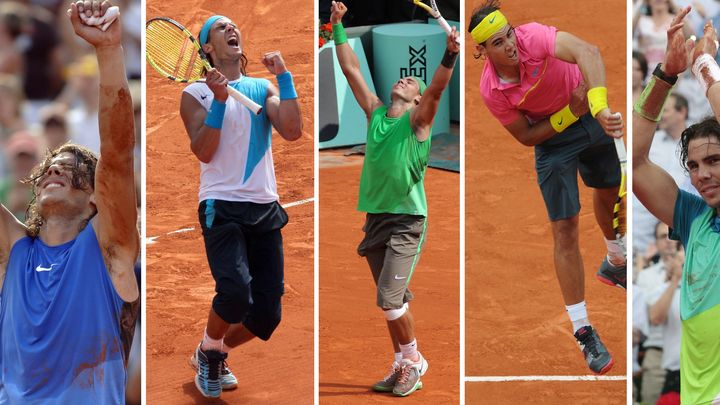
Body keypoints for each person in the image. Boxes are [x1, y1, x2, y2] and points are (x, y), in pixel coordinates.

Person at [469, 0, 625, 374]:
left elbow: (588, 52)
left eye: (508, 34)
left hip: (591, 117)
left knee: (608, 190)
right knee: (565, 227)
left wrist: (597, 105)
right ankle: (583, 329)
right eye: (498, 42)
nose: (509, 45)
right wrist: (569, 111)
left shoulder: (534, 37)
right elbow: (526, 136)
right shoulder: (492, 90)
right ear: (482, 51)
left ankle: (615, 260)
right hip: (553, 142)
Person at [0, 1, 139, 403]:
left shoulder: (109, 249)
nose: (56, 170)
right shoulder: (14, 251)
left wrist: (108, 52)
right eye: (50, 167)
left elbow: (116, 154)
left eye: (74, 167)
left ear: (97, 195)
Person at [329, 0, 459, 397]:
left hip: (407, 220)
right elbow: (351, 70)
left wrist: (451, 54)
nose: (404, 80)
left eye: (410, 82)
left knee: (388, 300)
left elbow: (436, 89)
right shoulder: (374, 114)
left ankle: (414, 360)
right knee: (394, 299)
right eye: (402, 78)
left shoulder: (418, 122)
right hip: (376, 219)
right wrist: (336, 25)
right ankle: (403, 361)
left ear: (418, 101)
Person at [178, 14, 303, 399]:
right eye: (221, 28)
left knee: (267, 315)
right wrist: (218, 102)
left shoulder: (260, 87)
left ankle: (210, 352)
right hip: (222, 205)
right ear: (208, 48)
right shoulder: (195, 94)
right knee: (234, 294)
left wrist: (284, 77)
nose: (232, 29)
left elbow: (293, 131)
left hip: (265, 206)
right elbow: (204, 150)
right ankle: (213, 356)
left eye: (234, 25)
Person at [633, 6, 720, 404]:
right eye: (695, 166)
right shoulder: (693, 215)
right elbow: (634, 163)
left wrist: (703, 63)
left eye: (714, 161)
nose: (703, 174)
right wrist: (666, 74)